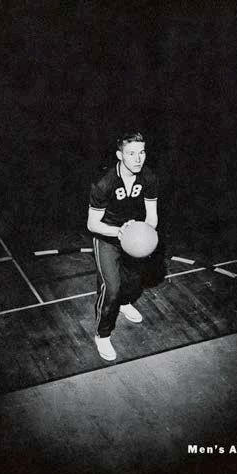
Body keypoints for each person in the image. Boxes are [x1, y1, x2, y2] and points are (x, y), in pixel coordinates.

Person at [87, 131, 158, 361]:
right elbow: (92, 224)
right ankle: (102, 334)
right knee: (112, 289)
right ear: (120, 155)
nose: (138, 159)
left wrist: (144, 234)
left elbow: (152, 217)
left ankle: (125, 303)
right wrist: (120, 232)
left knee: (133, 281)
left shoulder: (148, 178)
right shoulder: (104, 184)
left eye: (142, 152)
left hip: (133, 236)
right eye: (131, 154)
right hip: (107, 236)